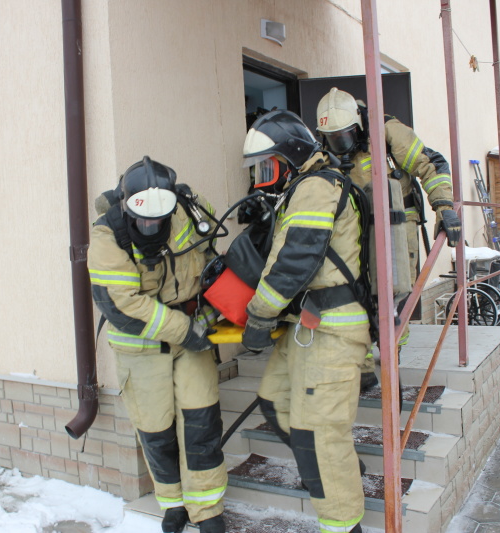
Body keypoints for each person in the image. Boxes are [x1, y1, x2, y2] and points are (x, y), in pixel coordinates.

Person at [241, 109, 371, 533]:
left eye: (268, 167)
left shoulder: (315, 187)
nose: (263, 178)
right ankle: (337, 467)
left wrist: (258, 317)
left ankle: (342, 523)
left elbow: (295, 260)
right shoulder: (303, 189)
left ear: (292, 157)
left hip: (330, 329)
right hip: (306, 326)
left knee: (319, 438)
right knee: (275, 402)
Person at [87, 156, 227, 533]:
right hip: (142, 345)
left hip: (193, 333)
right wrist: (184, 329)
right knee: (156, 430)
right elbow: (124, 305)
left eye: (158, 220)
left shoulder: (185, 209)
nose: (151, 226)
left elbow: (211, 246)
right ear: (127, 207)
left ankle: (207, 508)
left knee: (202, 423)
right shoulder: (107, 236)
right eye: (143, 221)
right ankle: (173, 503)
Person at [315, 87, 461, 389]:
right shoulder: (325, 150)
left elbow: (431, 164)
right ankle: (366, 364)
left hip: (397, 223)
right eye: (333, 139)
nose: (340, 145)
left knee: (394, 291)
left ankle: (392, 352)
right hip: (355, 226)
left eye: (344, 137)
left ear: (357, 125)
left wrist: (444, 207)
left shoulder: (386, 132)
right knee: (355, 290)